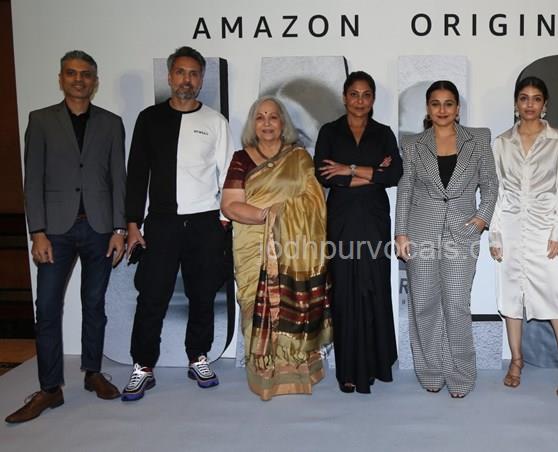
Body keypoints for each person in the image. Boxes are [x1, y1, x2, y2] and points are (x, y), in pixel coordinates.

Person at [6, 50, 126, 423]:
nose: (79, 79)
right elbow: (33, 180)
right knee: (47, 309)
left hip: (99, 229)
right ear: (61, 78)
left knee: (94, 304)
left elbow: (118, 178)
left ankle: (93, 373)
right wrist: (37, 232)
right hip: (54, 232)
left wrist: (119, 229)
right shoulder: (40, 120)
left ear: (95, 81)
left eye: (86, 74)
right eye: (71, 73)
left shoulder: (111, 123)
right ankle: (49, 389)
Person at [122, 46, 234, 401]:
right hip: (162, 223)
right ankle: (143, 366)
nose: (187, 79)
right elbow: (137, 174)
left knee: (203, 294)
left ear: (201, 79)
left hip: (205, 224)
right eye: (181, 72)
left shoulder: (216, 122)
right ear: (170, 77)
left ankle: (198, 357)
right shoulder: (149, 119)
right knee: (152, 295)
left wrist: (222, 220)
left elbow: (228, 175)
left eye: (194, 73)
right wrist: (133, 224)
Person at [221, 96, 332, 400]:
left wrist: (284, 217)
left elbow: (315, 202)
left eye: (273, 117)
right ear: (253, 124)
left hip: (294, 249)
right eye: (260, 117)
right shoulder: (241, 158)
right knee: (255, 307)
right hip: (253, 245)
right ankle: (265, 376)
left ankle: (298, 374)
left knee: (295, 308)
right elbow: (229, 205)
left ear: (283, 123)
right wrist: (266, 215)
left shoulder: (299, 157)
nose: (267, 123)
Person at [395, 80, 498, 398]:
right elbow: (406, 188)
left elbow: (490, 183)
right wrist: (400, 233)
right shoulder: (413, 144)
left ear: (457, 108)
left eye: (448, 103)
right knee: (424, 305)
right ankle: (430, 372)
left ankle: (461, 375)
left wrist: (481, 219)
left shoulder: (478, 138)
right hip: (421, 232)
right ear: (428, 108)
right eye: (436, 103)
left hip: (462, 232)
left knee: (456, 305)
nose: (442, 109)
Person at [314, 71, 402, 394]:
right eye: (354, 94)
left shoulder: (383, 133)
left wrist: (349, 168)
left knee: (373, 287)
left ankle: (376, 365)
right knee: (344, 291)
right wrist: (373, 173)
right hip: (341, 220)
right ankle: (348, 371)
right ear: (344, 96)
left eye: (366, 95)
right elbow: (324, 174)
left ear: (373, 99)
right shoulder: (329, 131)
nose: (360, 101)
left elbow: (394, 174)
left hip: (374, 221)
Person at [488, 76, 558, 396]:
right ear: (516, 103)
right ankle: (516, 361)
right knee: (511, 299)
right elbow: (495, 192)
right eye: (524, 98)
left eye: (536, 98)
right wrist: (495, 233)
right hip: (510, 229)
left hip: (544, 231)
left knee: (554, 299)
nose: (529, 104)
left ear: (545, 104)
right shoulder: (501, 143)